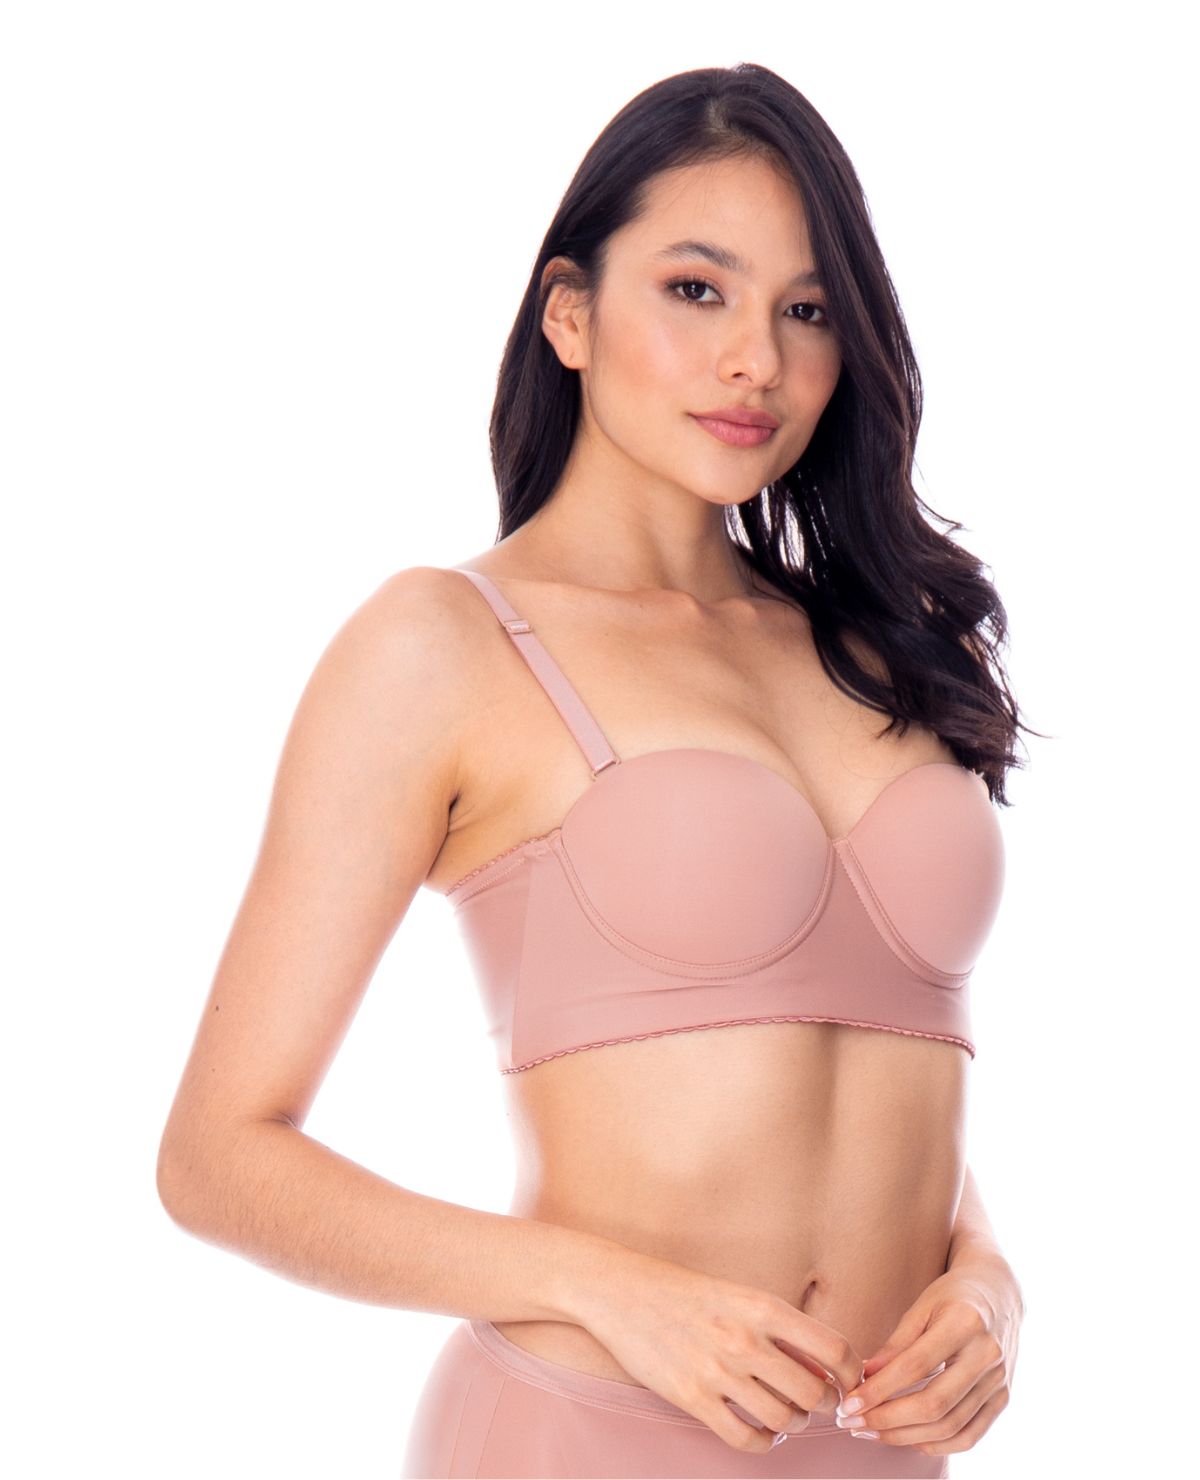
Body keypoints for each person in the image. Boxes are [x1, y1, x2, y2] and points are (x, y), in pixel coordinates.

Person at [156, 62, 1032, 1479]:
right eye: (696, 290)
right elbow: (216, 1157)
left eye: (806, 311)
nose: (755, 361)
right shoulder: (444, 645)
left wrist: (985, 1273)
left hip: (884, 1449)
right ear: (569, 313)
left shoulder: (873, 649)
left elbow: (853, 1059)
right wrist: (602, 1287)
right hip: (584, 1437)